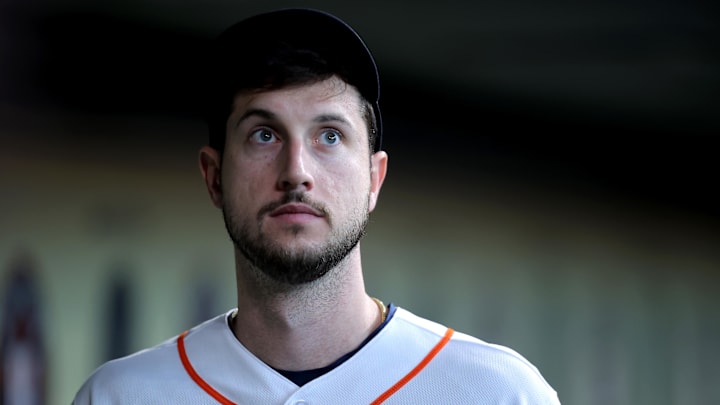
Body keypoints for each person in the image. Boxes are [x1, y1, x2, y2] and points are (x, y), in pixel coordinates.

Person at [73, 8, 560, 404]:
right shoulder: (121, 396)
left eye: (329, 135)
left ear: (374, 178)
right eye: (264, 135)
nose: (296, 170)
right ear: (214, 176)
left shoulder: (499, 393)